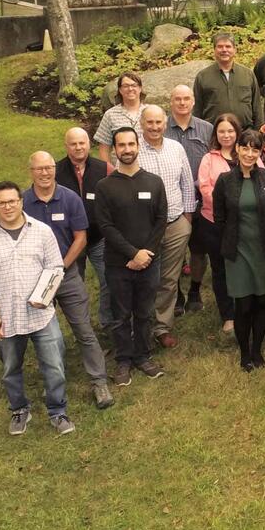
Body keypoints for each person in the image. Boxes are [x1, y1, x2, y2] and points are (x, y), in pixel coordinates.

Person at [0, 181, 73, 436]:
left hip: (41, 315)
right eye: (2, 202)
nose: (7, 207)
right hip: (7, 318)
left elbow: (55, 268)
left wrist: (44, 295)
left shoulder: (42, 231)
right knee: (10, 369)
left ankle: (58, 410)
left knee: (54, 365)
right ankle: (19, 410)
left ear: (21, 202)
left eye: (12, 201)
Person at [22, 152, 112, 409]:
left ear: (54, 169)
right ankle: (52, 382)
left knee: (83, 329)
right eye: (39, 169)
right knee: (43, 334)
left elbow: (80, 238)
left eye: (49, 168)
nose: (45, 173)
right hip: (35, 278)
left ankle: (99, 382)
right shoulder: (23, 202)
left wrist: (60, 267)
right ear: (31, 171)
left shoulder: (70, 198)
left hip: (66, 273)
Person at [94, 126, 168, 387]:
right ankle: (124, 359)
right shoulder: (104, 187)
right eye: (121, 145)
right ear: (114, 149)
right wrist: (132, 253)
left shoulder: (154, 182)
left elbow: (161, 220)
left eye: (130, 144)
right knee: (121, 314)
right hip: (118, 263)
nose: (127, 149)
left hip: (149, 261)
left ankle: (144, 356)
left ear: (138, 146)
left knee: (145, 312)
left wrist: (145, 254)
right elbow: (105, 226)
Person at [212, 128, 265, 370]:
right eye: (245, 147)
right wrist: (231, 241)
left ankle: (257, 350)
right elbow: (219, 218)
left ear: (260, 151)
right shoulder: (225, 181)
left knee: (263, 302)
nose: (250, 153)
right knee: (243, 304)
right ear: (238, 149)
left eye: (255, 148)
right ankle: (244, 353)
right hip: (239, 251)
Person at [137, 105, 196, 349]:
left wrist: (187, 218)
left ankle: (162, 326)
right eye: (149, 122)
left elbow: (187, 183)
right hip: (143, 229)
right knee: (144, 279)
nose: (154, 127)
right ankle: (140, 325)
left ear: (165, 123)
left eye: (158, 122)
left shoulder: (176, 148)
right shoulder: (132, 150)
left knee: (169, 279)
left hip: (175, 225)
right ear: (141, 124)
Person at [56, 127, 112, 334]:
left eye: (82, 143)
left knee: (109, 280)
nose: (78, 147)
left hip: (99, 238)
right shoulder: (56, 171)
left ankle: (107, 322)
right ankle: (83, 328)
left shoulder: (104, 168)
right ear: (66, 146)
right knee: (74, 289)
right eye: (73, 143)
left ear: (89, 144)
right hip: (69, 242)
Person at [167, 84, 214, 314]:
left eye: (186, 98)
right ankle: (175, 293)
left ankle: (195, 290)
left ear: (194, 101)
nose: (182, 103)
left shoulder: (207, 129)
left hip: (200, 199)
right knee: (173, 251)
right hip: (170, 200)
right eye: (178, 99)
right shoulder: (161, 128)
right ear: (171, 102)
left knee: (198, 249)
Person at [195, 113, 243, 335]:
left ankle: (247, 310)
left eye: (230, 131)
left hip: (246, 223)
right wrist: (232, 205)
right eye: (222, 131)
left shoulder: (247, 153)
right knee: (221, 269)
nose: (226, 135)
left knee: (245, 268)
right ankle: (229, 315)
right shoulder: (209, 159)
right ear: (216, 134)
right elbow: (205, 189)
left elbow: (261, 179)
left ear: (237, 132)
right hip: (216, 223)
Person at [193, 32, 265, 130]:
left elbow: (256, 106)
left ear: (234, 50)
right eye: (220, 47)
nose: (224, 50)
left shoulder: (248, 74)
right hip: (213, 133)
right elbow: (197, 109)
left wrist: (258, 132)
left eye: (228, 46)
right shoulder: (203, 76)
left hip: (245, 133)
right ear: (214, 50)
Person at [94, 71, 147, 163]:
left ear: (140, 88)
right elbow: (104, 148)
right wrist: (110, 172)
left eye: (134, 85)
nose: (130, 89)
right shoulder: (110, 115)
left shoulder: (150, 112)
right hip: (120, 170)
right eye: (125, 86)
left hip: (148, 168)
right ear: (120, 90)